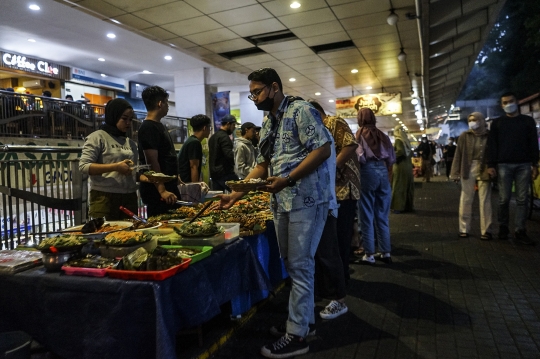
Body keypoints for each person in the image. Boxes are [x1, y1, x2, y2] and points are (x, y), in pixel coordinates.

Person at [216, 68, 335, 358]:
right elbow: (262, 165)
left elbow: (323, 149)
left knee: (301, 265)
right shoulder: (269, 121)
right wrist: (236, 193)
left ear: (274, 87)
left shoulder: (300, 110)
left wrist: (290, 178)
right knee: (293, 264)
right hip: (281, 201)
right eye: (251, 93)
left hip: (306, 199)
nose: (253, 97)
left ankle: (297, 338)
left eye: (256, 92)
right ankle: (304, 323)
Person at [308, 99, 359, 319]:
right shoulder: (316, 129)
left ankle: (341, 290)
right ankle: (336, 285)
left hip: (344, 190)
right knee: (331, 242)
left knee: (339, 239)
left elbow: (350, 145)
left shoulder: (333, 121)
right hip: (328, 192)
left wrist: (332, 166)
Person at [79, 99, 151, 220]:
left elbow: (130, 171)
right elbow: (84, 166)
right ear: (114, 116)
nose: (128, 123)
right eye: (124, 118)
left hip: (129, 197)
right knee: (105, 235)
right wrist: (115, 167)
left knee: (129, 235)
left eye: (130, 119)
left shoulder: (131, 143)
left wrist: (148, 178)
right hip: (104, 198)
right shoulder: (98, 137)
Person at [487, 92, 539, 244]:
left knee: (522, 199)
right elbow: (493, 145)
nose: (508, 104)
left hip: (524, 164)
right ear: (502, 105)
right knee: (503, 199)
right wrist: (491, 165)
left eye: (510, 101)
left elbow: (533, 144)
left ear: (516, 102)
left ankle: (520, 230)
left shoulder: (528, 121)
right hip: (503, 165)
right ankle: (503, 227)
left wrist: (535, 164)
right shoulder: (497, 123)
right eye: (505, 102)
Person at [356, 108, 396, 264]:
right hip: (383, 172)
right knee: (382, 214)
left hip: (367, 172)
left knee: (366, 215)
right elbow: (391, 158)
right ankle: (386, 252)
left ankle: (369, 254)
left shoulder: (359, 135)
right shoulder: (383, 136)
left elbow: (357, 157)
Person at [137, 86, 181, 217]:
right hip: (158, 190)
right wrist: (162, 191)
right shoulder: (148, 128)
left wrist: (175, 177)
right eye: (167, 102)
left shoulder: (158, 125)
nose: (167, 106)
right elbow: (152, 162)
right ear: (160, 103)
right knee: (163, 225)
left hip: (168, 185)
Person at [450, 112, 493, 240]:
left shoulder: (489, 135)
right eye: (470, 120)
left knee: (485, 200)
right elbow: (458, 154)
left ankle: (486, 231)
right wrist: (455, 173)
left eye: (474, 119)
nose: (472, 122)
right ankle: (463, 229)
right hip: (467, 168)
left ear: (481, 120)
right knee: (466, 198)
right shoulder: (464, 136)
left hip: (484, 168)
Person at [208, 114, 239, 191]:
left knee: (218, 197)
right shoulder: (224, 137)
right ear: (228, 124)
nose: (234, 128)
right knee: (240, 191)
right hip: (225, 173)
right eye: (233, 125)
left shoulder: (213, 136)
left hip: (214, 173)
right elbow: (229, 155)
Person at [177, 114, 211, 183]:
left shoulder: (191, 140)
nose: (210, 130)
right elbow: (193, 167)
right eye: (209, 127)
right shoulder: (194, 143)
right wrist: (195, 187)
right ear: (205, 128)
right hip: (187, 184)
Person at [391, 125, 414, 213]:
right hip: (407, 166)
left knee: (398, 186)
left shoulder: (398, 140)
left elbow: (400, 152)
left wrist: (391, 157)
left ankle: (398, 207)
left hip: (400, 167)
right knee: (407, 187)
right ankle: (408, 206)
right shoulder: (406, 140)